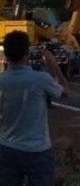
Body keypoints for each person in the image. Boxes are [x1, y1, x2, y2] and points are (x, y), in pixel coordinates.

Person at [0, 30, 69, 186]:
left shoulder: (2, 80)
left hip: (7, 147)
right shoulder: (40, 79)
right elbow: (65, 92)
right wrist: (54, 66)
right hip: (37, 150)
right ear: (26, 53)